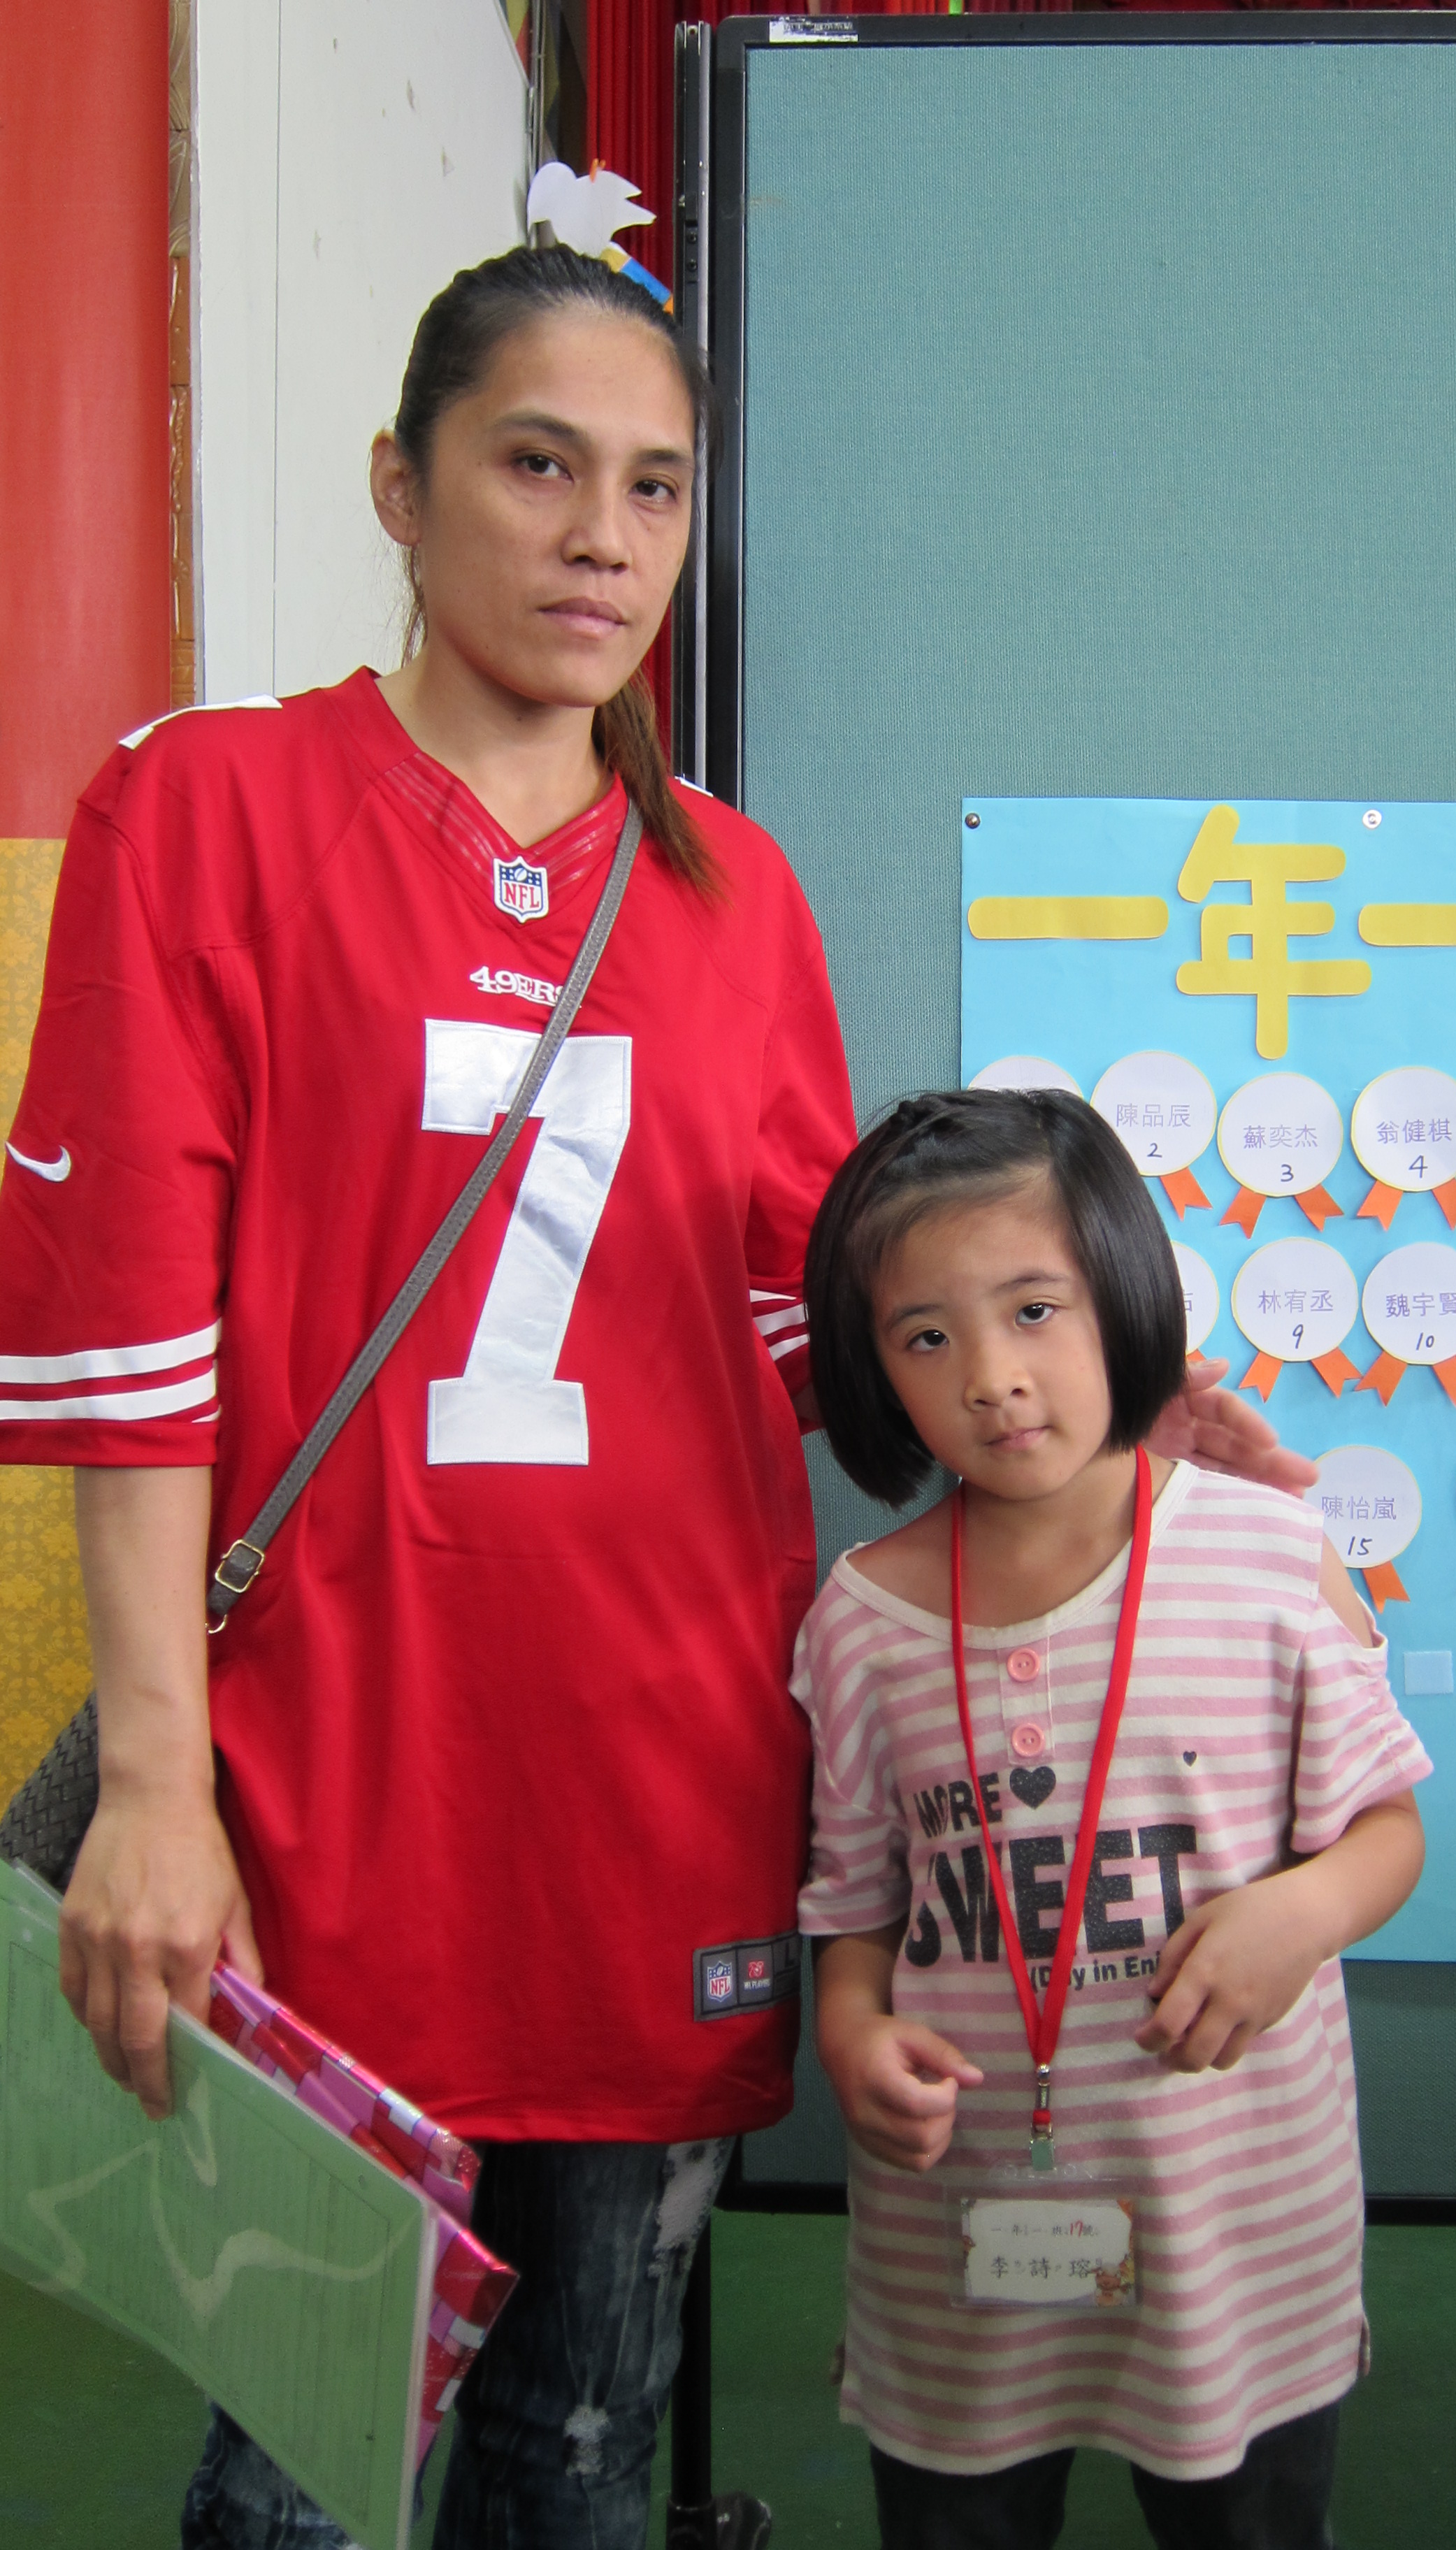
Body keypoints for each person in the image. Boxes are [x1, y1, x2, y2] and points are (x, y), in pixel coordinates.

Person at [0, 252, 1311, 2546]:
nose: (603, 538)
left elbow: (841, 1320)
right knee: (300, 2459)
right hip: (327, 1771)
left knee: (585, 2444)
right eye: (537, 466)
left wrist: (1109, 1407)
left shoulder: (733, 891)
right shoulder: (202, 810)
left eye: (655, 488)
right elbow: (138, 1348)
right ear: (400, 486)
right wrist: (158, 1781)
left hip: (663, 1776)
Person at [795, 1087, 1432, 2550]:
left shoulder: (1270, 1552)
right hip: (958, 2237)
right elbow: (856, 1905)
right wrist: (848, 2030)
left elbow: (1389, 1832)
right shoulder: (862, 1620)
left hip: (1236, 2230)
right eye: (925, 1337)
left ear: (1122, 1295)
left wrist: (1301, 1915)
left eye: (1035, 1310)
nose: (993, 1380)